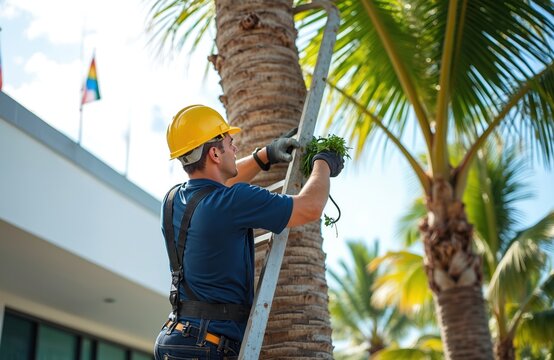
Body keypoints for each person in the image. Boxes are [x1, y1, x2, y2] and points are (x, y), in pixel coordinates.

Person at [154, 104, 344, 360]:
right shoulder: (233, 201)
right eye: (230, 142)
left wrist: (264, 155)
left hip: (174, 339)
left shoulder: (172, 199)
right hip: (208, 347)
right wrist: (324, 162)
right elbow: (310, 207)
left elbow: (215, 184)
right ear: (214, 154)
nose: (235, 148)